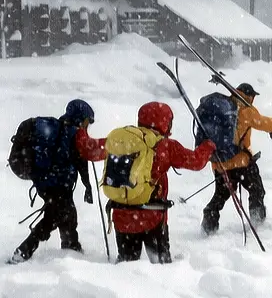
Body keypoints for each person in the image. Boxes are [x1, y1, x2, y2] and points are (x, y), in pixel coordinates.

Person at [88, 101, 215, 264]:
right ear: (165, 123)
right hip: (152, 216)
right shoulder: (165, 146)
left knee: (126, 265)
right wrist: (208, 145)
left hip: (121, 215)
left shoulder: (122, 140)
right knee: (160, 266)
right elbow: (196, 161)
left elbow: (91, 150)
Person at [8, 99, 96, 264]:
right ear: (79, 118)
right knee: (55, 216)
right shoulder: (71, 134)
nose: (87, 126)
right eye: (86, 121)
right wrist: (87, 186)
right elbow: (78, 162)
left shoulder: (59, 128)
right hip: (56, 184)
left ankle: (71, 247)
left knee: (67, 214)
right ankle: (24, 251)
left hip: (48, 182)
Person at [202, 83, 272, 234]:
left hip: (220, 163)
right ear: (250, 96)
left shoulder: (224, 107)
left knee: (220, 197)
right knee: (256, 190)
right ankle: (258, 223)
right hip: (241, 163)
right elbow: (263, 123)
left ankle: (208, 226)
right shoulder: (247, 111)